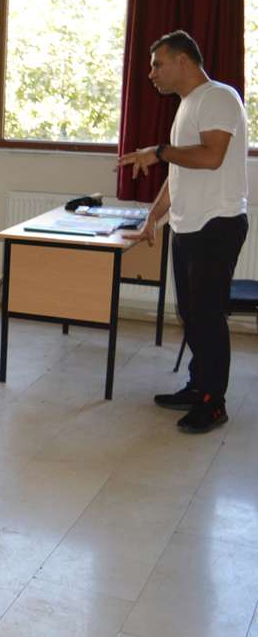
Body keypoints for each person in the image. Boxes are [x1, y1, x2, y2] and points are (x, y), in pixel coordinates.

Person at [119, 30, 249, 434]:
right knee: (191, 313)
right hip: (189, 225)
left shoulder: (218, 97)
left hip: (217, 223)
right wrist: (151, 219)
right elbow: (179, 175)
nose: (151, 73)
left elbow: (212, 157)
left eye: (157, 64)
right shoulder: (188, 105)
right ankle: (198, 386)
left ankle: (214, 403)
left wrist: (157, 151)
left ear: (183, 61)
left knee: (207, 315)